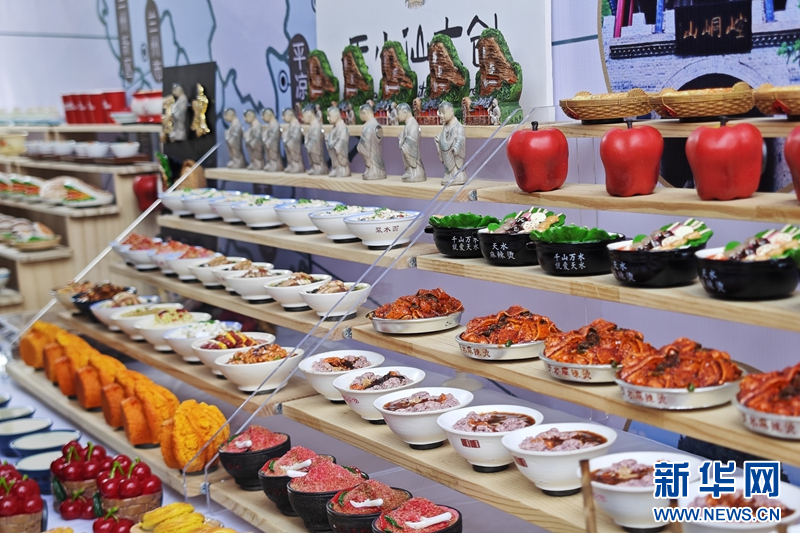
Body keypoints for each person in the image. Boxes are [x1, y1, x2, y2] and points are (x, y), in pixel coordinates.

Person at [434, 101, 467, 186]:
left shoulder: (458, 126)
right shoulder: (445, 126)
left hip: (454, 155)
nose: (441, 116)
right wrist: (439, 140)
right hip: (446, 158)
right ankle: (448, 175)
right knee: (448, 170)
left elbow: (461, 139)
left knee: (455, 170)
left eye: (443, 113)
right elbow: (444, 140)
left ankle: (457, 176)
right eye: (440, 113)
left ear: (451, 112)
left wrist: (456, 147)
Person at [357, 103, 387, 180]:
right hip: (377, 158)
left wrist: (359, 146)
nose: (360, 116)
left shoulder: (369, 128)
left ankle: (372, 171)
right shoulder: (376, 125)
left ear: (364, 113)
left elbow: (366, 146)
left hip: (372, 160)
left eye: (360, 114)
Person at [397, 103, 426, 182]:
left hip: (415, 163)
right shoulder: (408, 125)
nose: (397, 116)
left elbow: (410, 144)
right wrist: (402, 138)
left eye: (398, 113)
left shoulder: (413, 125)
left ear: (405, 113)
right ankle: (410, 171)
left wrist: (402, 142)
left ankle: (415, 173)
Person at [326, 106, 351, 177]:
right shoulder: (334, 128)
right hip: (334, 157)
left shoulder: (343, 127)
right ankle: (335, 168)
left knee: (338, 151)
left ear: (337, 116)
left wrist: (335, 145)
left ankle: (343, 169)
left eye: (329, 116)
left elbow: (342, 142)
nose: (327, 118)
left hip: (340, 158)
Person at [302, 106, 328, 175]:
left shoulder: (316, 126)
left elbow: (315, 141)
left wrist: (309, 144)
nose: (302, 119)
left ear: (309, 116)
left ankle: (320, 168)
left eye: (303, 116)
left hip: (316, 151)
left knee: (316, 154)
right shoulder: (312, 126)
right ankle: (314, 167)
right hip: (311, 148)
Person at [281, 108, 304, 173]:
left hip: (293, 146)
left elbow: (295, 138)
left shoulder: (296, 125)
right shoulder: (290, 125)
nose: (283, 118)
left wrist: (288, 140)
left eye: (284, 116)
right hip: (288, 144)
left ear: (290, 115)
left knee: (294, 153)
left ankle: (297, 167)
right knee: (289, 154)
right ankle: (291, 165)